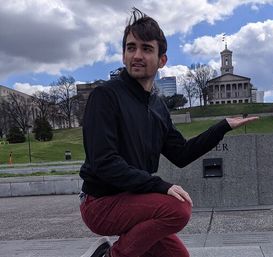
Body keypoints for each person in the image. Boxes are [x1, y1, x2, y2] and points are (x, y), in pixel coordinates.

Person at [79, 8, 257, 257]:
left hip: (132, 197)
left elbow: (181, 153)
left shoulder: (157, 106)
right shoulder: (105, 96)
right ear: (123, 55)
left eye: (146, 49)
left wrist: (222, 126)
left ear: (162, 60)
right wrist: (159, 185)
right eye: (131, 48)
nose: (137, 55)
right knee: (177, 209)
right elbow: (104, 163)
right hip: (100, 203)